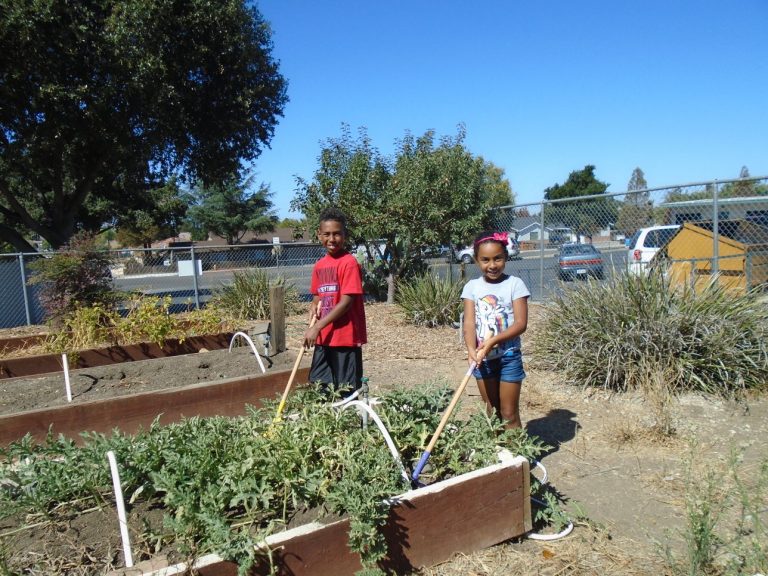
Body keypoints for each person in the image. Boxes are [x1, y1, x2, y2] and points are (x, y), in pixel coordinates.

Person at [461, 230, 530, 429]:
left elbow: (520, 324)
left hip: (509, 356)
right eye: (485, 260)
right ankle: (497, 454)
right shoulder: (472, 287)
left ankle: (517, 456)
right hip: (483, 360)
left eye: (497, 258)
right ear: (476, 260)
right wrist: (471, 350)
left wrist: (492, 341)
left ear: (506, 257)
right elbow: (469, 322)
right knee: (491, 411)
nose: (492, 265)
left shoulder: (515, 285)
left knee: (509, 413)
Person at [303, 207, 367, 394]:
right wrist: (314, 305)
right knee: (320, 384)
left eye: (337, 234)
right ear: (319, 235)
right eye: (327, 234)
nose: (332, 239)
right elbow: (318, 295)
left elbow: (346, 303)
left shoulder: (349, 263)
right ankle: (327, 422)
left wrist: (316, 327)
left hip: (344, 337)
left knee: (346, 389)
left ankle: (350, 422)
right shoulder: (319, 265)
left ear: (344, 235)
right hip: (325, 338)